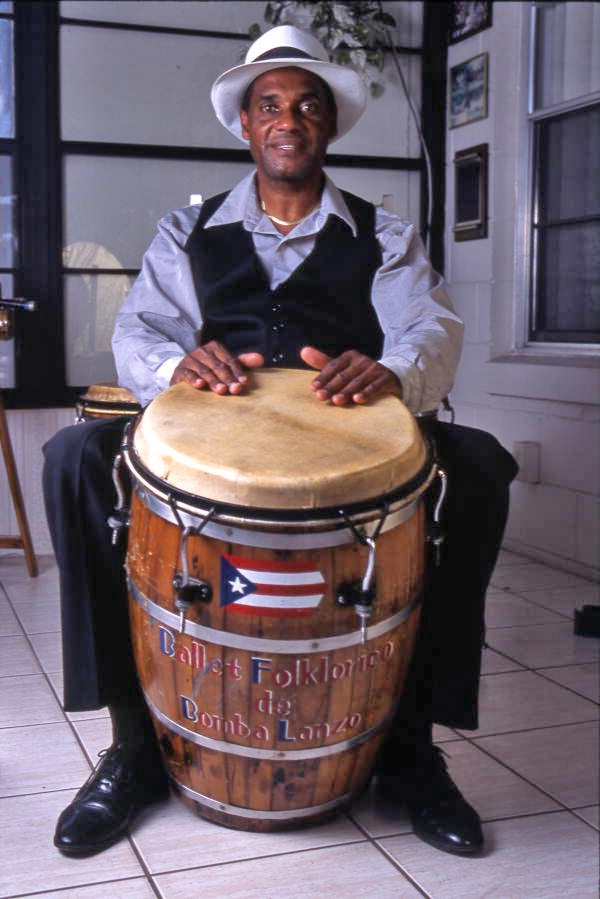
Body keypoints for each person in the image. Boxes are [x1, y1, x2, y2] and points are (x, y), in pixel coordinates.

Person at [43, 25, 517, 859]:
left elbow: (432, 328)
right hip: (210, 439)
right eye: (270, 105)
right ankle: (130, 747)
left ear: (328, 127)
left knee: (477, 466)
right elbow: (140, 333)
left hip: (358, 444)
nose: (287, 119)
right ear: (247, 124)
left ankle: (411, 753)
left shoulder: (385, 234)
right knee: (72, 459)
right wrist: (177, 364)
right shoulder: (183, 234)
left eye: (306, 106)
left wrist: (392, 374)